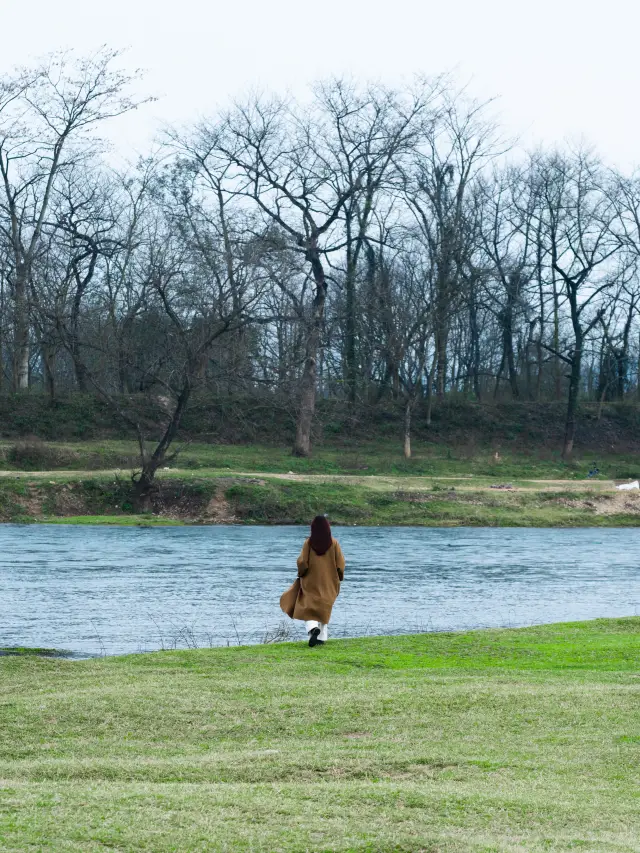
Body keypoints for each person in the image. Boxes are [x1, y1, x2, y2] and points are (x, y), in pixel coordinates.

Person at [291, 515, 346, 647]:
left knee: (309, 606)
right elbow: (341, 564)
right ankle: (321, 637)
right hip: (329, 581)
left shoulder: (308, 543)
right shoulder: (334, 543)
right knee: (324, 607)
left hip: (311, 580)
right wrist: (339, 577)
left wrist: (301, 573)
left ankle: (312, 628)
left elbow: (303, 562)